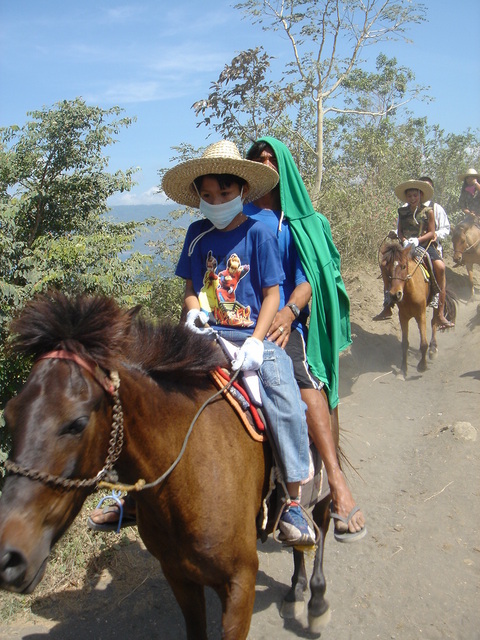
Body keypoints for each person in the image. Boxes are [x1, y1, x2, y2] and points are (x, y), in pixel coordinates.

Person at [244, 137, 366, 542]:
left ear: (283, 166)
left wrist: (290, 311)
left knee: (304, 380)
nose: (265, 165)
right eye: (257, 160)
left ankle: (336, 480)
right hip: (236, 321)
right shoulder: (237, 215)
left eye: (270, 159)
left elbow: (308, 279)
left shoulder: (307, 223)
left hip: (283, 319)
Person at [373, 179, 454, 329]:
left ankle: (440, 310)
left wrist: (417, 240)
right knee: (385, 264)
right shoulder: (402, 211)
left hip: (424, 244)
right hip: (406, 245)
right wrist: (403, 240)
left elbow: (431, 232)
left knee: (440, 267)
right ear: (406, 197)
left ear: (420, 195)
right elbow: (400, 230)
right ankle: (387, 303)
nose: (412, 198)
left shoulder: (429, 211)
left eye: (414, 195)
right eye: (409, 196)